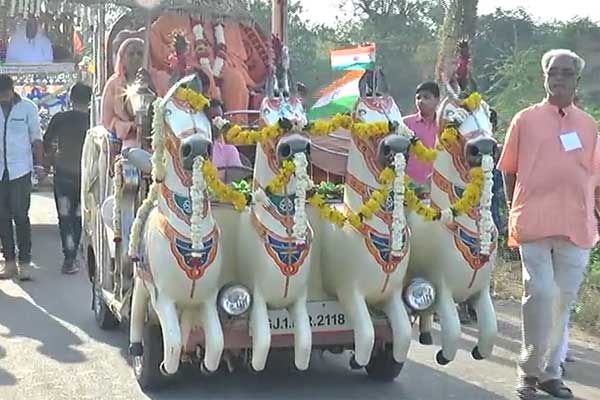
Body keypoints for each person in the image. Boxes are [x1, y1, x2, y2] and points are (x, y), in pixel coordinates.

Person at [498, 49, 600, 400]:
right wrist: (514, 209)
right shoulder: (524, 120)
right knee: (539, 295)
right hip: (533, 223)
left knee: (562, 302)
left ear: (576, 80)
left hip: (577, 225)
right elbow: (508, 170)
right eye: (553, 72)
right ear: (544, 77)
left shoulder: (587, 125)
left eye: (566, 73)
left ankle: (550, 373)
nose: (559, 78)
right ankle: (528, 372)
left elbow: (594, 177)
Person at [43, 83, 92, 275]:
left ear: (71, 98)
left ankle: (69, 257)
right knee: (78, 217)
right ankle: (73, 254)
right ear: (89, 100)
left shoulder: (60, 119)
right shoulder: (92, 121)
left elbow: (47, 142)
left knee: (64, 217)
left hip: (63, 175)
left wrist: (51, 160)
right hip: (84, 177)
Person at [0, 74, 44, 280]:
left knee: (20, 216)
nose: (3, 98)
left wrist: (39, 165)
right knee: (2, 219)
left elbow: (36, 138)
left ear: (12, 90)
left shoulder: (27, 108)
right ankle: (9, 263)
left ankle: (24, 262)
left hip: (20, 170)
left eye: (6, 94)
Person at [101, 38, 169, 148]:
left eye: (140, 54)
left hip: (160, 136)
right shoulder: (113, 84)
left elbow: (170, 108)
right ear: (123, 59)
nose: (136, 57)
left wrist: (151, 86)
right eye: (131, 54)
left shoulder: (162, 79)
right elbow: (107, 120)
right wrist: (130, 127)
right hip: (129, 138)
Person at [402, 81, 440, 191]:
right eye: (418, 98)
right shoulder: (405, 124)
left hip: (438, 186)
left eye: (426, 97)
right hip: (409, 188)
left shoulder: (445, 126)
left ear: (437, 100)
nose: (421, 101)